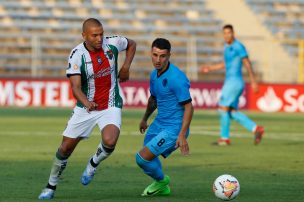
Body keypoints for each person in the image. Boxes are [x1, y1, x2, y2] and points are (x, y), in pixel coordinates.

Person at [38, 18, 136, 200]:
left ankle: (93, 163)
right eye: (95, 35)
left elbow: (132, 44)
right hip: (86, 108)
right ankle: (50, 186)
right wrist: (87, 102)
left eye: (101, 34)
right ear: (84, 36)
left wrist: (126, 66)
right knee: (65, 149)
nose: (99, 38)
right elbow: (75, 87)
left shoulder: (112, 43)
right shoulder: (77, 54)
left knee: (110, 140)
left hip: (110, 103)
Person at [136, 38, 194, 196]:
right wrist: (145, 118)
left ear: (169, 56)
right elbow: (153, 99)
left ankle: (162, 181)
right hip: (159, 123)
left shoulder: (176, 78)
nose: (158, 60)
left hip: (175, 128)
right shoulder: (154, 75)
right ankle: (161, 186)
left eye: (162, 56)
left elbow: (189, 107)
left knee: (141, 158)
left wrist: (182, 134)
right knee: (148, 156)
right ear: (151, 53)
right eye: (155, 55)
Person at [201, 24, 264, 146]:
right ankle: (256, 129)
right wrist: (210, 68)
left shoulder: (238, 46)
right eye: (224, 33)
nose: (226, 35)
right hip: (230, 82)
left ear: (233, 33)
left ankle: (224, 138)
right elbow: (225, 63)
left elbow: (247, 63)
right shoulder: (226, 46)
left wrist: (253, 81)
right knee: (231, 112)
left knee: (222, 108)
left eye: (229, 32)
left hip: (234, 82)